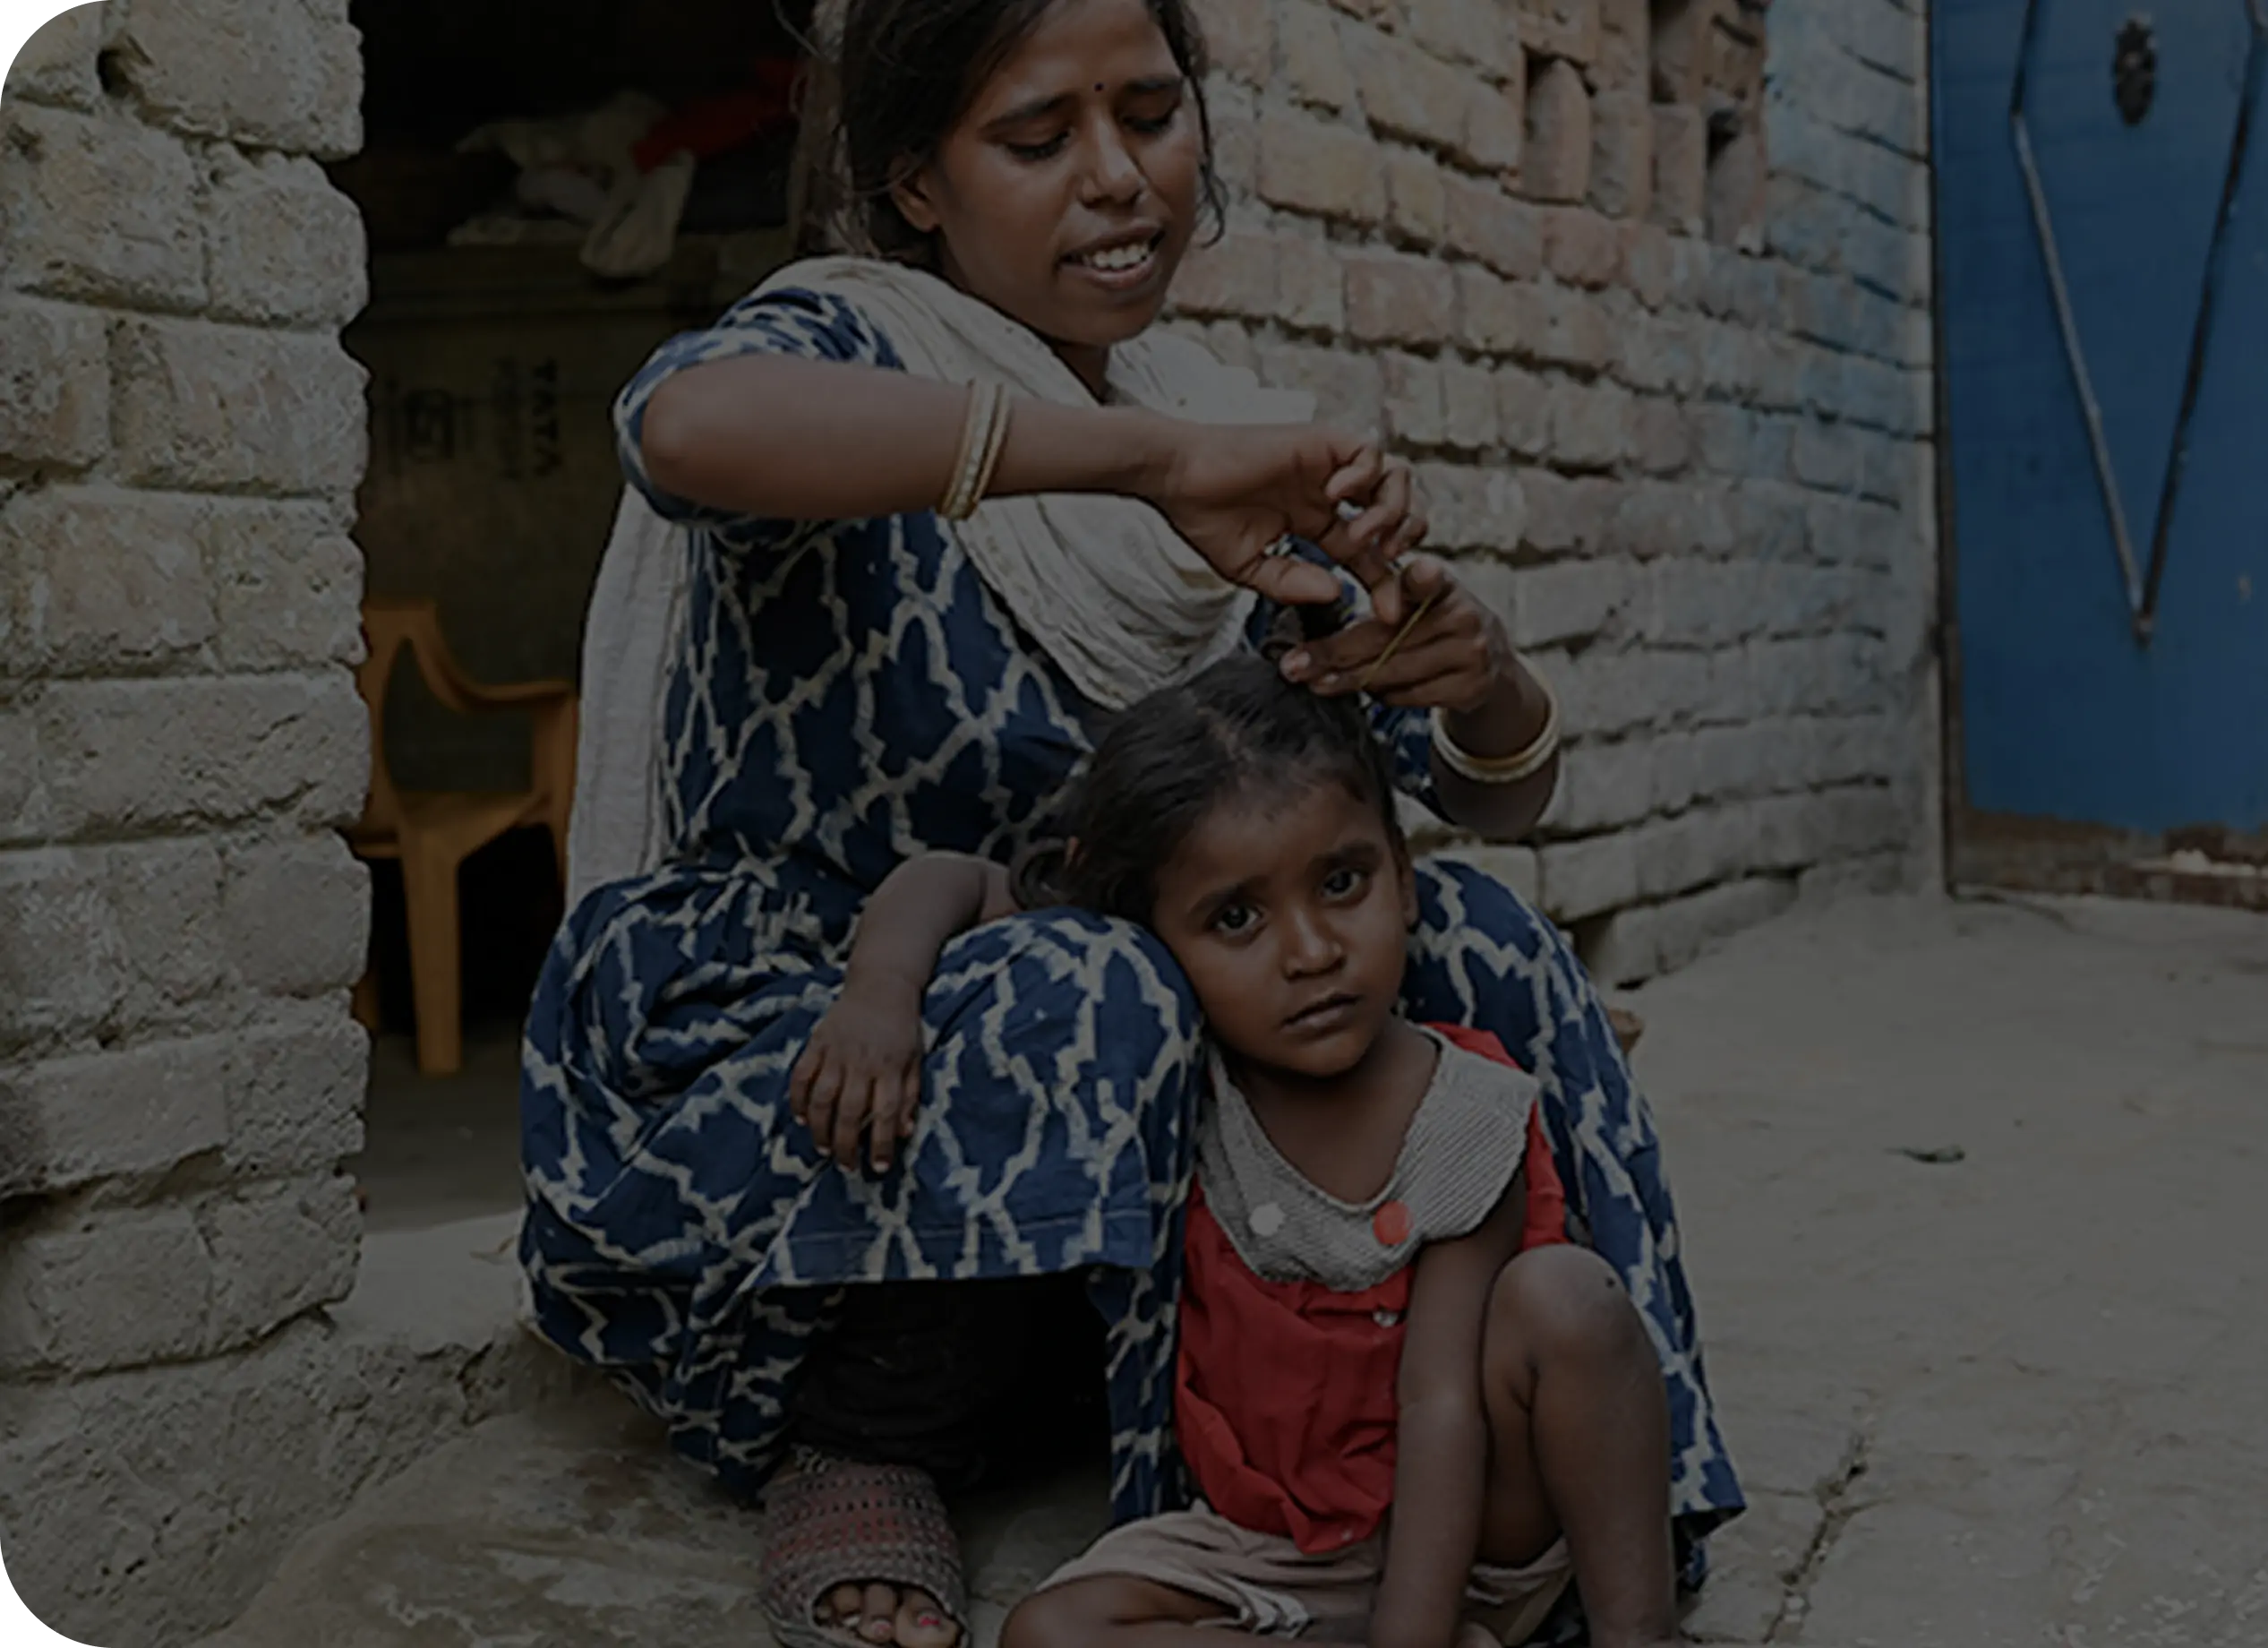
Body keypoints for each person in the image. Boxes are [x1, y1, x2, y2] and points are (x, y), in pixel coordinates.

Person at [518, 2, 1742, 1645]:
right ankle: (869, 1438)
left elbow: (1449, 794)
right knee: (1098, 980)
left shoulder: (1223, 414)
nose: (1118, 179)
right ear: (917, 186)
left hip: (1138, 1036)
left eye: (1151, 115)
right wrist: (1144, 463)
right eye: (1037, 141)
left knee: (1481, 946)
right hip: (826, 1049)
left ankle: (1603, 1506)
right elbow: (683, 429)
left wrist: (1484, 680)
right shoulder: (848, 348)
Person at [804, 654, 1691, 1648]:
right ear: (1149, 942)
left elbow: (1440, 1404)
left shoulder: (1463, 1108)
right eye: (1236, 917)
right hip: (1268, 1544)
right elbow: (955, 880)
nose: (1310, 950)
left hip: (1469, 1532)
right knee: (1049, 1633)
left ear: (1403, 879)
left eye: (1341, 882)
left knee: (1565, 1295)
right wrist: (878, 993)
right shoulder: (1180, 1072)